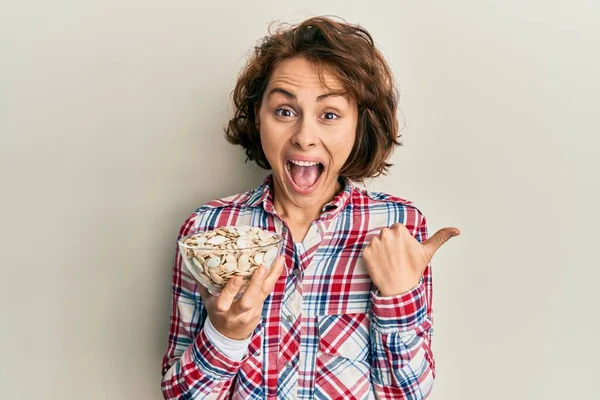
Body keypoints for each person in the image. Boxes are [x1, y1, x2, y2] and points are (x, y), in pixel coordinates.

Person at [160, 15, 460, 400]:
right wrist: (225, 334)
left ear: (359, 125)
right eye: (285, 111)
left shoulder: (397, 227)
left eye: (329, 115)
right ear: (258, 116)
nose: (304, 136)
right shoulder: (208, 231)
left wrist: (398, 297)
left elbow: (406, 395)